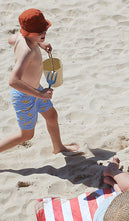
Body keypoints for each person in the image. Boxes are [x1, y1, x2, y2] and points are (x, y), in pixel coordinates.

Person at [1, 9, 80, 155]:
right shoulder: (27, 52)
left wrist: (39, 43)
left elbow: (11, 39)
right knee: (26, 135)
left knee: (52, 116)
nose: (43, 35)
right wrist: (40, 94)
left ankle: (58, 147)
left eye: (44, 31)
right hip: (24, 96)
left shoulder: (21, 37)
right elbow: (13, 81)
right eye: (39, 33)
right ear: (29, 33)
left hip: (36, 89)